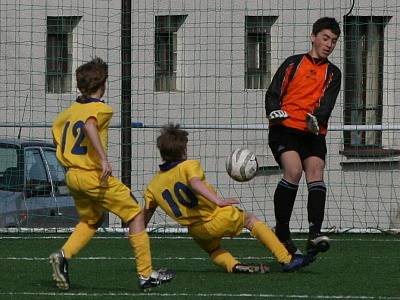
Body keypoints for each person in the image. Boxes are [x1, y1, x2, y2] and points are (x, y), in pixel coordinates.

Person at [50, 57, 174, 290]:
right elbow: (89, 126)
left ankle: (63, 256)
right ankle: (146, 275)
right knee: (136, 215)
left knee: (91, 220)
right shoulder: (102, 108)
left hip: (73, 175)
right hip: (93, 176)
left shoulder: (70, 110)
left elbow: (56, 130)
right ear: (103, 84)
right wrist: (103, 160)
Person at [143, 123, 314, 275]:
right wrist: (217, 201)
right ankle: (286, 259)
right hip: (216, 217)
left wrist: (138, 230)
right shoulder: (188, 165)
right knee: (250, 220)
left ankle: (233, 265)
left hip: (196, 231)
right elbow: (194, 183)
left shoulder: (153, 186)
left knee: (214, 250)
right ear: (183, 151)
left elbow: (148, 211)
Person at [265, 17, 341, 256]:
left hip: (313, 131)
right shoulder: (293, 63)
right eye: (325, 38)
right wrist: (273, 111)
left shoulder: (333, 73)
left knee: (316, 172)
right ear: (313, 37)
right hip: (285, 129)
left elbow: (327, 104)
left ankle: (314, 233)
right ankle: (283, 233)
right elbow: (273, 92)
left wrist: (317, 119)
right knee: (294, 171)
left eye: (334, 41)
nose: (329, 44)